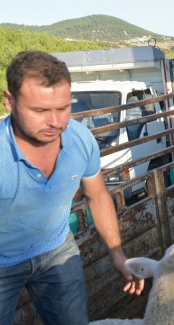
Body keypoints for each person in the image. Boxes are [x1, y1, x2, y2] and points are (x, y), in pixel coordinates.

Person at [0, 51, 144, 325]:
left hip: (55, 247)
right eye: (39, 110)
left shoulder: (79, 139)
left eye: (63, 107)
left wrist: (117, 252)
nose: (55, 122)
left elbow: (97, 194)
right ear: (10, 101)